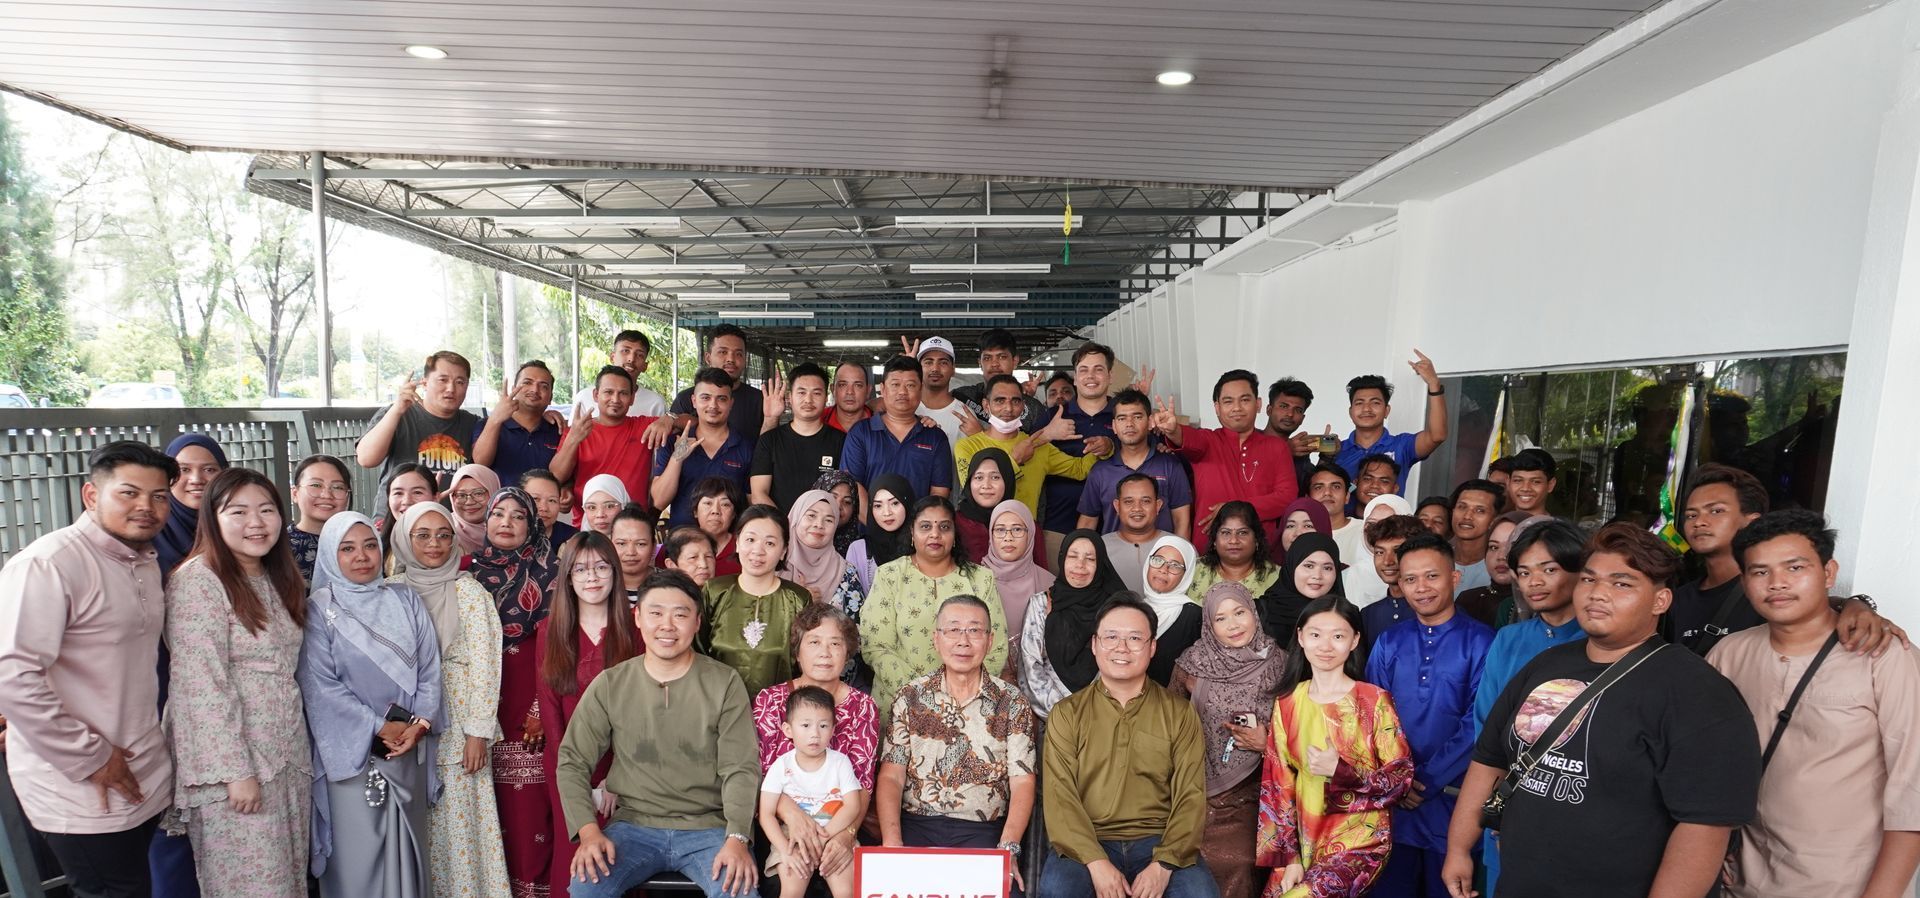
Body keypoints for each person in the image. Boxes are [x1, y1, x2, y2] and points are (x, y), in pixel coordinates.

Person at [1444, 523, 1762, 898]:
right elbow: (1489, 760)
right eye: (1589, 580)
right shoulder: (1545, 665)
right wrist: (1460, 847)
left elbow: (1704, 827)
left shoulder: (1697, 693)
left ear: (1660, 601)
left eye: (1622, 584)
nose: (1598, 594)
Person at [1707, 510, 1920, 898]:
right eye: (1759, 572)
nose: (1777, 584)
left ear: (1828, 572)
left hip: (1845, 883)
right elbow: (1706, 766)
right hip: (1742, 881)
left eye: (1795, 567)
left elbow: (1913, 794)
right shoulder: (1729, 654)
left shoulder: (1886, 657)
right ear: (1744, 581)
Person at [0, 441, 176, 898]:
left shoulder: (142, 560)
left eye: (159, 496)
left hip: (140, 769)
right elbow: (12, 676)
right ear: (91, 496)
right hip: (79, 783)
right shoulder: (49, 564)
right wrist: (91, 757)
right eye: (129, 493)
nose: (146, 507)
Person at [557, 569, 759, 898]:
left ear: (696, 624)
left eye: (680, 615)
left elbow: (741, 766)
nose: (667, 625)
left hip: (709, 826)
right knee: (587, 887)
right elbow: (572, 761)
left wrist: (737, 837)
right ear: (637, 618)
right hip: (634, 825)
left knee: (739, 890)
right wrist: (589, 830)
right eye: (655, 613)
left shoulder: (724, 682)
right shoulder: (612, 684)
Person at [163, 468, 309, 898]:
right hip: (236, 769)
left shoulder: (277, 576)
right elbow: (200, 685)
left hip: (286, 759)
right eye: (239, 511)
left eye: (266, 510)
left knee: (287, 882)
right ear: (213, 517)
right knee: (249, 886)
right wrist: (234, 772)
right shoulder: (198, 581)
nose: (256, 523)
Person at [298, 512, 445, 897]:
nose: (361, 556)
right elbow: (320, 686)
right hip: (353, 753)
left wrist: (420, 725)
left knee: (409, 852)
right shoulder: (319, 609)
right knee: (358, 858)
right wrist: (378, 726)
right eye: (347, 548)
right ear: (331, 555)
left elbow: (430, 668)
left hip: (407, 746)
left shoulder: (405, 598)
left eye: (369, 545)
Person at [1039, 595, 1217, 898]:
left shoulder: (1178, 712)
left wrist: (1163, 864)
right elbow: (1060, 797)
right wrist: (1096, 862)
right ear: (1095, 645)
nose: (1122, 647)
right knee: (1058, 890)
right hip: (1088, 840)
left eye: (1135, 638)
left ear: (1152, 647)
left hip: (1159, 840)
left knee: (1200, 892)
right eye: (1111, 637)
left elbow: (1191, 796)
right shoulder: (1067, 713)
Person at [389, 501, 512, 898]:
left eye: (444, 535)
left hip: (458, 733)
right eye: (422, 535)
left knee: (461, 833)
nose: (435, 544)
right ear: (403, 539)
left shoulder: (469, 592)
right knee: (415, 832)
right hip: (405, 731)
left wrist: (478, 732)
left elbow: (486, 666)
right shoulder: (390, 592)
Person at [1257, 597, 1413, 898]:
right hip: (1302, 842)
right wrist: (1289, 859)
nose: (1326, 646)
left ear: (1354, 640)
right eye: (1316, 634)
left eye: (1338, 636)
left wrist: (1340, 772)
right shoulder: (1288, 702)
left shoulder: (1374, 700)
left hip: (1359, 842)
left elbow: (1401, 780)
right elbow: (1277, 787)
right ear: (1300, 637)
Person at [878, 595, 1038, 887]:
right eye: (953, 630)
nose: (963, 641)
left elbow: (1023, 781)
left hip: (985, 831)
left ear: (989, 641)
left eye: (975, 630)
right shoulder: (910, 696)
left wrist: (1008, 847)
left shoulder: (1011, 702)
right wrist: (892, 843)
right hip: (917, 826)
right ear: (936, 639)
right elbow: (892, 776)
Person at [1366, 533, 1492, 898]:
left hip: (1454, 803)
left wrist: (1425, 780)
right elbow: (1374, 715)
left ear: (1455, 578)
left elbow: (1478, 721)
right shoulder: (1390, 641)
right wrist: (1400, 780)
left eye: (1432, 576)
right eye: (1410, 579)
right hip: (1395, 808)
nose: (1421, 588)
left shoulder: (1482, 641)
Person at [1667, 463, 1899, 657]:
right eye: (1691, 515)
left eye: (1716, 511)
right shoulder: (1677, 600)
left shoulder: (1769, 592)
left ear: (1752, 521)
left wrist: (1856, 605)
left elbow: (1816, 609)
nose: (1699, 522)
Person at [1469, 517, 1585, 895]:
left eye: (1548, 569)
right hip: (1510, 804)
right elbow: (1486, 726)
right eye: (1524, 572)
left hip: (1576, 806)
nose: (1534, 581)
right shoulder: (1509, 639)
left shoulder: (1602, 642)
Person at [536, 531, 643, 898]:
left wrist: (615, 778)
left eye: (601, 567)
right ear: (567, 577)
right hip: (568, 768)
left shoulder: (635, 627)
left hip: (625, 770)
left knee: (622, 863)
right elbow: (550, 713)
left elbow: (642, 713)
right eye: (580, 569)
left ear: (615, 572)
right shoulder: (550, 631)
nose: (592, 577)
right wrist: (577, 780)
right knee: (575, 863)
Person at [1167, 582, 1287, 898]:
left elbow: (1299, 734)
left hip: (1254, 792)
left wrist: (1268, 744)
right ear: (1209, 623)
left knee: (1244, 861)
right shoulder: (1192, 664)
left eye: (1239, 612)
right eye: (1220, 618)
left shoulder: (1282, 665)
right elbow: (1166, 727)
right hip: (1193, 791)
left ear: (1253, 612)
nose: (1233, 624)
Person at [467, 487, 559, 898]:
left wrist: (541, 706)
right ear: (484, 521)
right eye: (498, 514)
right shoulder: (466, 572)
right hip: (479, 702)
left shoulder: (550, 571)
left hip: (530, 699)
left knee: (529, 811)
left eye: (518, 516)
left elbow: (559, 644)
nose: (506, 522)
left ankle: (534, 890)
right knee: (487, 806)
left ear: (532, 524)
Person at [860, 497, 1007, 729]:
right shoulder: (890, 575)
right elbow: (876, 646)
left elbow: (995, 646)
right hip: (901, 706)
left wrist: (958, 695)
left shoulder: (980, 579)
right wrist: (924, 696)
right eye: (926, 526)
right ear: (912, 532)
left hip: (967, 708)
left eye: (944, 527)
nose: (935, 534)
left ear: (955, 535)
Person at [1152, 371, 1296, 555]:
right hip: (1209, 554)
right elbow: (1187, 438)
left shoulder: (1277, 447)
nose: (1237, 407)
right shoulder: (1208, 440)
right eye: (1228, 401)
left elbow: (1286, 498)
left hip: (1261, 554)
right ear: (1217, 407)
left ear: (1258, 404)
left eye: (1244, 400)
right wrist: (1173, 431)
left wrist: (1234, 509)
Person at [752, 604, 879, 795]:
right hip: (777, 816)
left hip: (840, 817)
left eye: (835, 644)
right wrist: (792, 818)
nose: (825, 653)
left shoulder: (863, 707)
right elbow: (760, 777)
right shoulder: (770, 701)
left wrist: (841, 826)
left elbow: (862, 786)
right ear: (797, 653)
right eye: (814, 642)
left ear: (847, 655)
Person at [759, 686, 865, 898]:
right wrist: (785, 850)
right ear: (788, 730)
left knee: (846, 891)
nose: (815, 734)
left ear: (833, 729)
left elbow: (853, 805)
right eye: (805, 725)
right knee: (791, 890)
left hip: (835, 833)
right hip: (792, 839)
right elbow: (766, 814)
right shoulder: (781, 766)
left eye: (823, 725)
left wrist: (824, 837)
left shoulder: (839, 762)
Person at [955, 375, 1105, 518]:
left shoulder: (1040, 446)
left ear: (1023, 406)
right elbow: (973, 493)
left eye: (1015, 401)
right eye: (1000, 401)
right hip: (980, 535)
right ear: (986, 405)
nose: (1008, 408)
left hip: (1027, 535)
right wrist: (1015, 460)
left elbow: (1079, 469)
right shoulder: (967, 446)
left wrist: (1104, 447)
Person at [702, 505, 812, 696]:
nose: (758, 551)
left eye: (769, 543)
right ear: (737, 543)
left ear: (784, 550)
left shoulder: (799, 598)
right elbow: (697, 653)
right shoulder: (714, 591)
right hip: (718, 708)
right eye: (750, 540)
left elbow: (807, 665)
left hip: (779, 714)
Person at [1023, 530, 1131, 710]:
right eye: (1072, 556)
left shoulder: (1115, 609)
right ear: (1062, 559)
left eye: (1090, 559)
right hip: (1052, 715)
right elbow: (1030, 665)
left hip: (1104, 714)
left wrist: (1092, 712)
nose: (1080, 565)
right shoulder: (1041, 603)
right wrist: (1064, 715)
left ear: (1101, 564)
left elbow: (1122, 664)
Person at [1039, 343, 1121, 568]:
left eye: (1098, 369)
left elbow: (1147, 453)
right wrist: (1047, 434)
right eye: (1084, 370)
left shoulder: (1123, 413)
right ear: (1075, 378)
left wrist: (1111, 445)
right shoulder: (1053, 416)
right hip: (1057, 529)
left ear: (1110, 375)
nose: (1091, 376)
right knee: (1058, 597)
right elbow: (1021, 453)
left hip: (1117, 530)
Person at [1078, 388, 1193, 539]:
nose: (1129, 424)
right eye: (1122, 418)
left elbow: (1182, 521)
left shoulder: (1170, 465)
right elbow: (1087, 523)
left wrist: (1179, 560)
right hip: (1113, 559)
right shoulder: (1100, 471)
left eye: (1137, 417)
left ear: (1150, 422)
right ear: (1114, 426)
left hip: (1163, 559)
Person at [553, 366, 664, 519]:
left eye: (623, 393)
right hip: (589, 524)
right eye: (608, 392)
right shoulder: (577, 430)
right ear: (596, 395)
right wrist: (573, 439)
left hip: (633, 524)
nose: (616, 399)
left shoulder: (645, 426)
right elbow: (556, 475)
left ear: (632, 398)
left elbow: (689, 421)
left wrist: (670, 419)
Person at [843, 355, 955, 507]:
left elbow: (939, 493)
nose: (902, 392)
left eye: (910, 385)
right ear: (883, 389)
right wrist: (873, 525)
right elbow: (852, 486)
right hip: (868, 529)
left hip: (918, 529)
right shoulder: (861, 433)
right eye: (895, 385)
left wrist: (917, 529)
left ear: (921, 389)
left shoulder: (935, 437)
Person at [358, 350, 482, 482]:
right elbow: (366, 459)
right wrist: (397, 409)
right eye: (442, 380)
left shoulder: (473, 423)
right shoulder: (396, 413)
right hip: (401, 503)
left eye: (460, 382)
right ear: (424, 383)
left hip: (450, 503)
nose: (451, 388)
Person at [653, 367, 752, 529]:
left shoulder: (746, 447)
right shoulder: (674, 442)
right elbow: (659, 501)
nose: (713, 405)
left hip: (729, 546)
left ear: (731, 403)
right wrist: (677, 458)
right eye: (705, 397)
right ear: (694, 400)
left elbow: (752, 503)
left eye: (721, 399)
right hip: (683, 543)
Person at [1333, 352, 1447, 486]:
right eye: (1359, 403)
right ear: (1350, 412)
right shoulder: (1337, 450)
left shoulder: (1402, 445)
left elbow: (1437, 436)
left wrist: (1434, 383)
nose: (1366, 409)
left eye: (1375, 402)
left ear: (1386, 411)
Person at [750, 362, 847, 512]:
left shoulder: (841, 441)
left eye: (816, 393)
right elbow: (758, 494)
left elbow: (845, 494)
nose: (808, 400)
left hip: (825, 528)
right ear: (789, 397)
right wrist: (786, 527)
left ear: (826, 396)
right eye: (801, 392)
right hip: (781, 530)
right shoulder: (769, 441)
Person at [982, 499, 1055, 682]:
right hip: (984, 682)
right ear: (991, 534)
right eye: (1000, 530)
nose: (1008, 537)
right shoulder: (975, 580)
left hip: (1038, 684)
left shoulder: (1049, 584)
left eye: (1017, 529)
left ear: (1030, 534)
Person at [661, 323, 765, 443]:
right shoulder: (684, 399)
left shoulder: (759, 400)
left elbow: (767, 447)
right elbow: (672, 444)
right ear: (708, 358)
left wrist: (771, 418)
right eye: (723, 352)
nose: (731, 359)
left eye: (738, 354)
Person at [473, 360, 564, 486]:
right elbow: (480, 463)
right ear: (513, 389)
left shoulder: (558, 430)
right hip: (500, 504)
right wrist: (495, 420)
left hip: (542, 505)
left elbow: (566, 475)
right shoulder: (487, 425)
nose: (535, 389)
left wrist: (567, 488)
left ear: (550, 397)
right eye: (527, 382)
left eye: (543, 386)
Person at [1256, 532, 1345, 651]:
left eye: (1327, 568)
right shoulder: (1259, 612)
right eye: (1309, 566)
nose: (1317, 575)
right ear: (1292, 566)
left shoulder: (1345, 615)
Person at [785, 490, 865, 618]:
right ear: (796, 517)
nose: (819, 525)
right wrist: (796, 601)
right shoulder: (773, 565)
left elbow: (854, 629)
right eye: (811, 515)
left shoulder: (846, 573)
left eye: (828, 520)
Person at [157, 432, 228, 576]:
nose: (196, 479)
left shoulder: (241, 524)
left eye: (209, 470)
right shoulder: (149, 528)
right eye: (184, 470)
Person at [1139, 534, 1204, 686]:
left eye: (1175, 565)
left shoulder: (1194, 616)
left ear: (1186, 574)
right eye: (1158, 560)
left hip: (1169, 706)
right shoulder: (1132, 609)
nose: (1164, 569)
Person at [952, 328, 1045, 432]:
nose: (994, 364)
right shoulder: (961, 396)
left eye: (1002, 357)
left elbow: (1039, 447)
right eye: (987, 358)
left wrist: (980, 434)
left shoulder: (1033, 408)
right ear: (980, 363)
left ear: (1015, 361)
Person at [1186, 501, 1281, 602]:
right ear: (1214, 540)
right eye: (1226, 533)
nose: (1233, 540)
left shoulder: (1278, 577)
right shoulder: (1192, 570)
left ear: (1256, 539)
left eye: (1242, 532)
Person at [568, 329, 668, 421]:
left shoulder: (655, 403)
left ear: (645, 366)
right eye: (625, 351)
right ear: (612, 357)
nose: (631, 359)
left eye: (639, 355)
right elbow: (573, 435)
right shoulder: (584, 397)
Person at [1455, 510, 1531, 627]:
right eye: (1494, 547)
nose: (1501, 556)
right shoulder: (1468, 600)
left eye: (1512, 546)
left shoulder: (1539, 601)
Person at [1102, 474, 1175, 595]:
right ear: (1117, 506)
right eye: (1128, 501)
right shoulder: (1099, 547)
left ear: (1158, 506)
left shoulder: (1177, 548)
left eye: (1146, 501)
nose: (1137, 508)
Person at [1360, 515, 1427, 643]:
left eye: (1397, 551)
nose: (1387, 561)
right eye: (1380, 552)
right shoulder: (1368, 614)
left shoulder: (1433, 611)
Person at [289, 453, 353, 583]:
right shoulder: (279, 547)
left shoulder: (360, 542)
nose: (326, 495)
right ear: (295, 494)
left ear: (347, 495)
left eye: (338, 487)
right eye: (316, 485)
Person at [845, 475, 914, 593]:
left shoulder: (921, 545)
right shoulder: (858, 549)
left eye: (895, 503)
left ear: (907, 503)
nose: (886, 512)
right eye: (878, 505)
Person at [954, 448, 1021, 565]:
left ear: (1008, 480)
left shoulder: (1024, 525)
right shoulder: (952, 523)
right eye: (979, 477)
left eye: (995, 477)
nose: (986, 485)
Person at [1350, 493, 1414, 606]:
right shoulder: (1346, 576)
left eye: (1388, 523)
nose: (1379, 530)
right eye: (1371, 524)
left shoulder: (1421, 583)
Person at [911, 335, 973, 447]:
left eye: (943, 362)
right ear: (918, 368)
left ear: (953, 369)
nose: (935, 368)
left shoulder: (965, 415)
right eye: (928, 362)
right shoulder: (905, 409)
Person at [1263, 378, 1319, 498]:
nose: (1290, 414)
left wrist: (1327, 458)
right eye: (1284, 406)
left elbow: (1312, 490)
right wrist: (1284, 451)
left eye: (1298, 410)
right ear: (1269, 410)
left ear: (1302, 418)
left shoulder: (1300, 454)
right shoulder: (1249, 440)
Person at [1448, 479, 1504, 599]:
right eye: (1462, 507)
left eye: (1480, 510)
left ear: (1495, 519)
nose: (1467, 516)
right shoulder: (1437, 558)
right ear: (1453, 511)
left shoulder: (1500, 566)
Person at [379, 464, 440, 570]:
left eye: (417, 492)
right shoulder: (374, 540)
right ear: (388, 499)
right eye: (398, 493)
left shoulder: (449, 541)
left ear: (435, 498)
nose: (407, 501)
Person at [688, 477, 746, 579]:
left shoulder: (745, 548)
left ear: (734, 514)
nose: (715, 511)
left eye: (725, 504)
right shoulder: (680, 545)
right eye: (708, 503)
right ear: (695, 511)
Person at [445, 464, 503, 560]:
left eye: (478, 493)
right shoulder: (444, 531)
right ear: (452, 497)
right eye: (461, 495)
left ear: (494, 492)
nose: (469, 502)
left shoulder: (511, 529)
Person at [610, 504, 656, 605]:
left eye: (640, 544)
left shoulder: (671, 584)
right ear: (609, 545)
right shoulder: (599, 586)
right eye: (621, 543)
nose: (630, 552)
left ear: (653, 547)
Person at [521, 468, 579, 546]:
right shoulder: (505, 535)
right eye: (535, 499)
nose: (544, 508)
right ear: (520, 500)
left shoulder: (574, 539)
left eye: (552, 500)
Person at [811, 470, 864, 554]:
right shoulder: (795, 540)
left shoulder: (859, 550)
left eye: (847, 502)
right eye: (832, 497)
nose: (838, 506)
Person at [825, 360, 873, 433]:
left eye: (858, 385)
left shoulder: (884, 423)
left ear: (868, 391)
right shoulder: (818, 419)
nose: (850, 392)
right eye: (842, 385)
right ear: (833, 390)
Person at [1504, 449, 1556, 516]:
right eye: (1518, 480)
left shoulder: (1557, 526)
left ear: (1551, 485)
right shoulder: (1498, 525)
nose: (1525, 488)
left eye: (1536, 482)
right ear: (1508, 483)